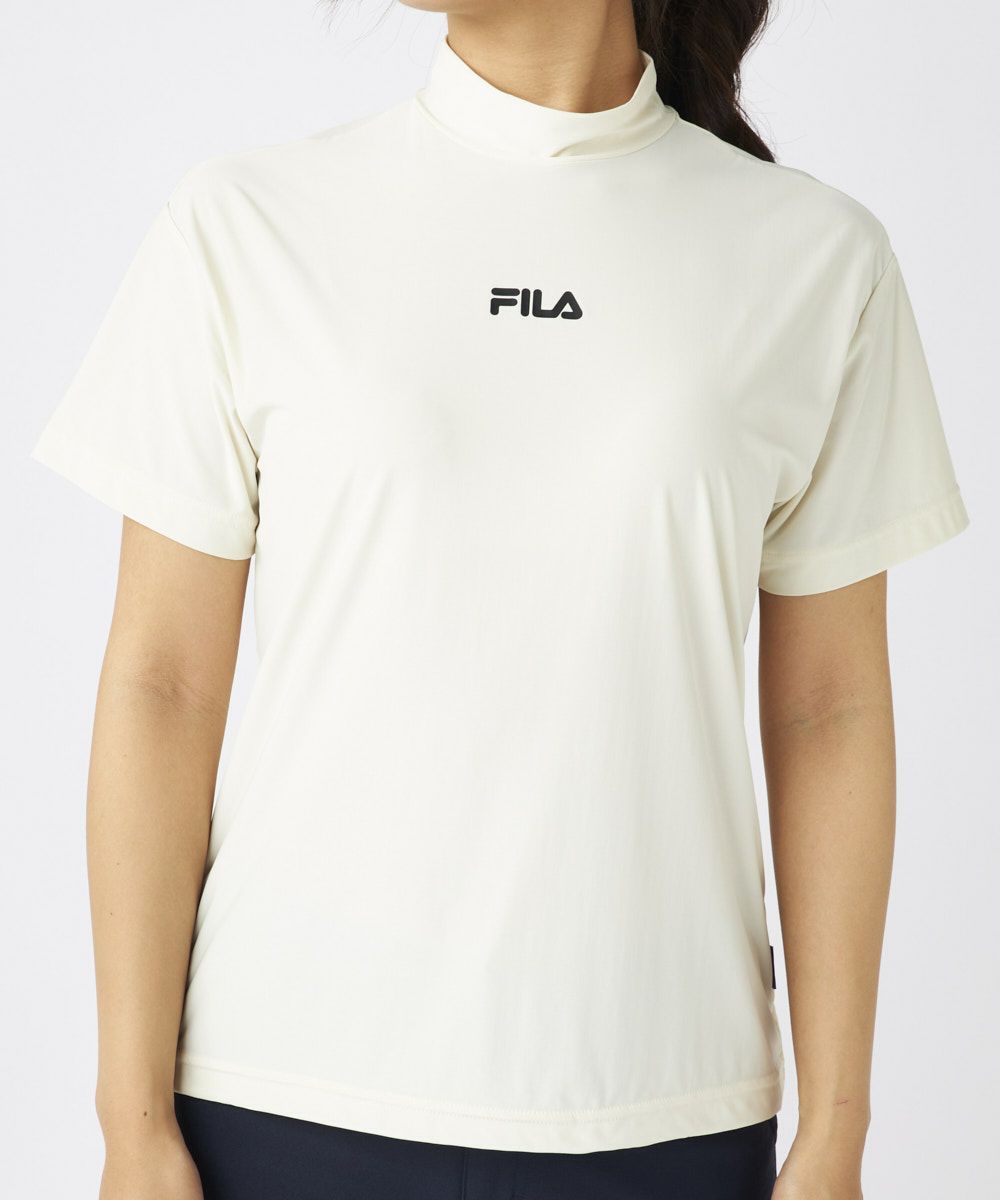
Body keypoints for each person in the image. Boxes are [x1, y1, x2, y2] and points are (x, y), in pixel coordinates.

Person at [29, 1, 971, 1198]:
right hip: (282, 1095)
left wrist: (835, 1134)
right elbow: (161, 684)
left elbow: (827, 710)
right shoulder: (246, 224)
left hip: (664, 1115)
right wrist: (130, 1123)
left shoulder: (815, 259)